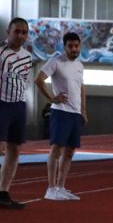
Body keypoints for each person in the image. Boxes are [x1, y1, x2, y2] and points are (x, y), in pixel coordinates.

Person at [35, 32, 87, 201]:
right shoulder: (55, 61)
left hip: (75, 113)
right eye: (70, 46)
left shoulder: (80, 65)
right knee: (56, 149)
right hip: (61, 111)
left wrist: (83, 111)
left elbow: (81, 88)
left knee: (70, 151)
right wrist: (51, 99)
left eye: (76, 46)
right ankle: (51, 188)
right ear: (64, 47)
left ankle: (61, 187)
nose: (74, 49)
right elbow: (38, 80)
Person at [0, 18, 32, 210]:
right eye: (17, 31)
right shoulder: (1, 53)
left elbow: (23, 81)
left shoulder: (27, 57)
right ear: (8, 32)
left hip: (19, 105)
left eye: (24, 32)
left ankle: (3, 192)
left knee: (15, 149)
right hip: (1, 104)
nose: (20, 35)